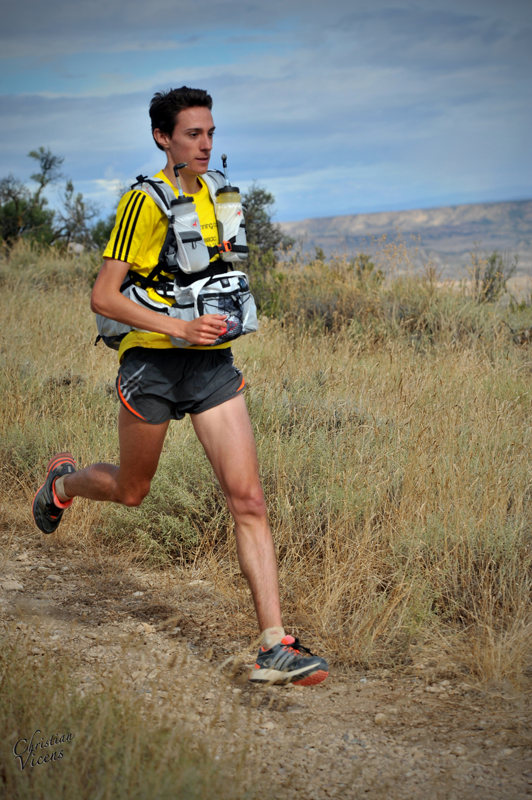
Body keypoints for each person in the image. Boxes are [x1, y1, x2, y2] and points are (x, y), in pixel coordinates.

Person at [32, 86, 328, 687]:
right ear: (162, 138)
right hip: (153, 363)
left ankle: (274, 645)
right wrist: (178, 328)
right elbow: (103, 296)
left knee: (249, 501)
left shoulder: (219, 194)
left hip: (211, 364)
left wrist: (213, 324)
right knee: (133, 490)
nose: (206, 144)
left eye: (211, 132)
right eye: (193, 134)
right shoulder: (142, 203)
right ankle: (62, 484)